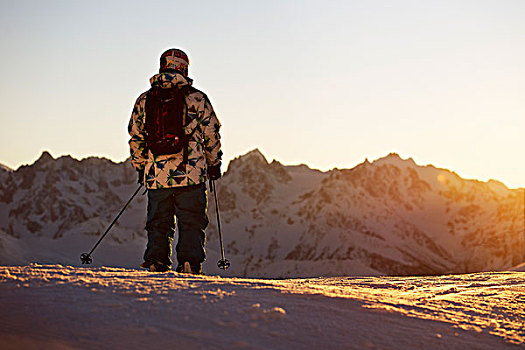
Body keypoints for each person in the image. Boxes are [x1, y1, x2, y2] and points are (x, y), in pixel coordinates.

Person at [128, 48, 222, 274]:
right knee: (191, 221)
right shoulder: (197, 98)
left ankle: (155, 261)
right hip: (191, 172)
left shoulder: (145, 99)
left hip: (157, 175)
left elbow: (136, 136)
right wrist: (213, 163)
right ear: (184, 67)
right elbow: (211, 133)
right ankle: (190, 262)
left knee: (159, 222)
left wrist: (141, 167)